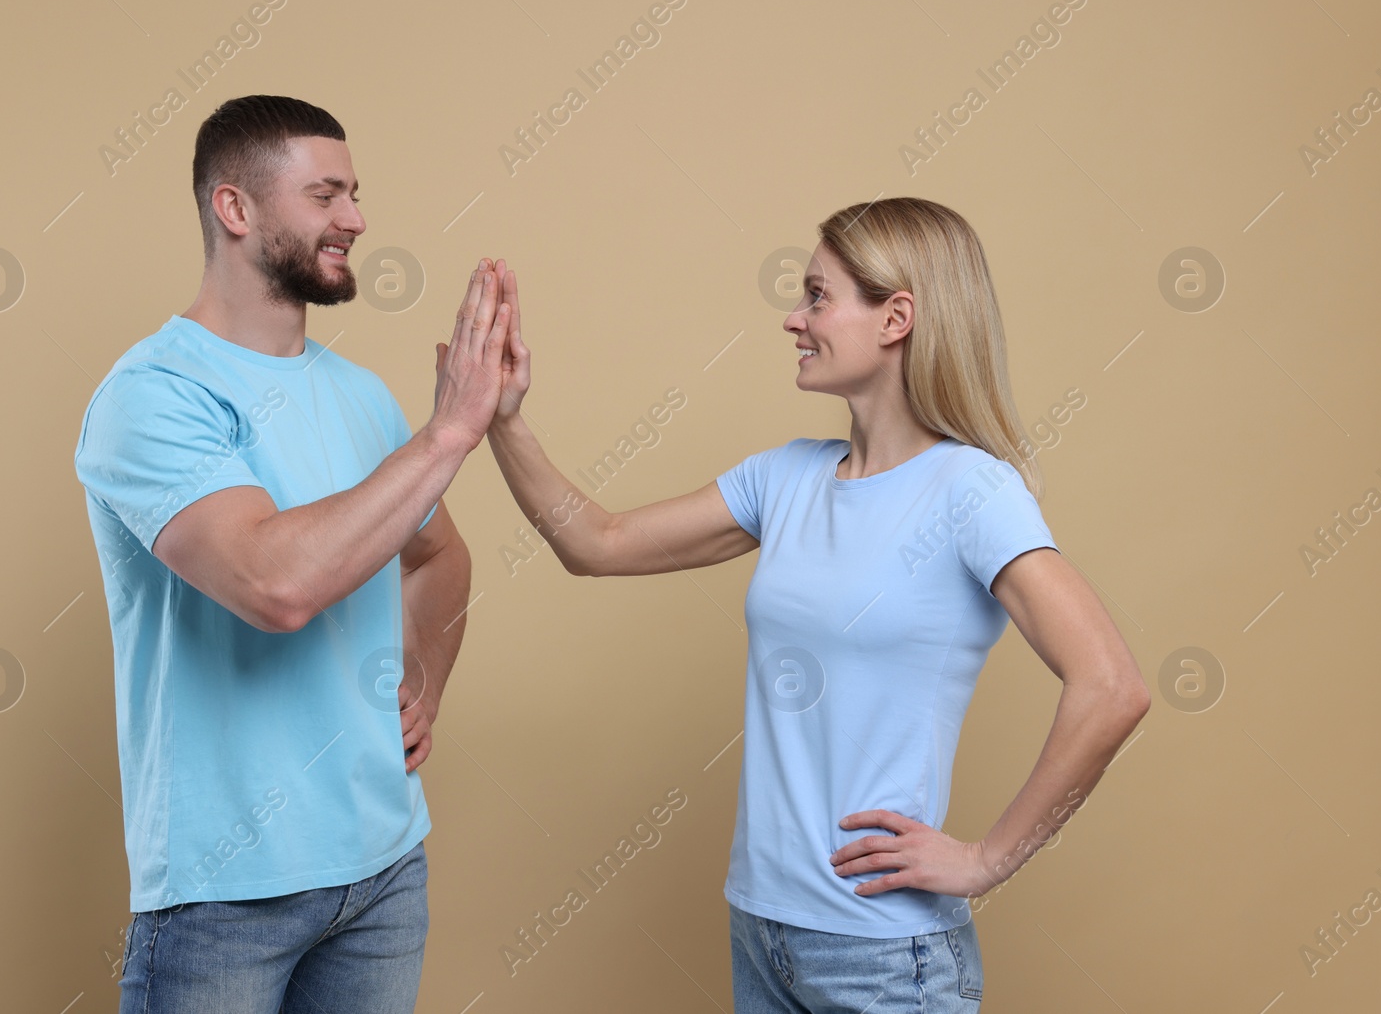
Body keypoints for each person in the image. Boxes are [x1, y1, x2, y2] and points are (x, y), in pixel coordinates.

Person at [480, 197, 1151, 1012]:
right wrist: (503, 419)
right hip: (762, 929)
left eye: (817, 296)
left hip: (883, 954)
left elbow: (1112, 685)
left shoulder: (971, 491)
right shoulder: (786, 477)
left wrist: (985, 859)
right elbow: (597, 542)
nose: (793, 319)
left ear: (896, 317)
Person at [72, 94, 512, 1014]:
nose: (355, 218)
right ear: (236, 209)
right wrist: (448, 433)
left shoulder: (360, 397)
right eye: (326, 194)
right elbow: (276, 583)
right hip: (223, 894)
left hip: (383, 875)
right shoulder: (152, 394)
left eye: (354, 193)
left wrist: (424, 675)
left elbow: (440, 558)